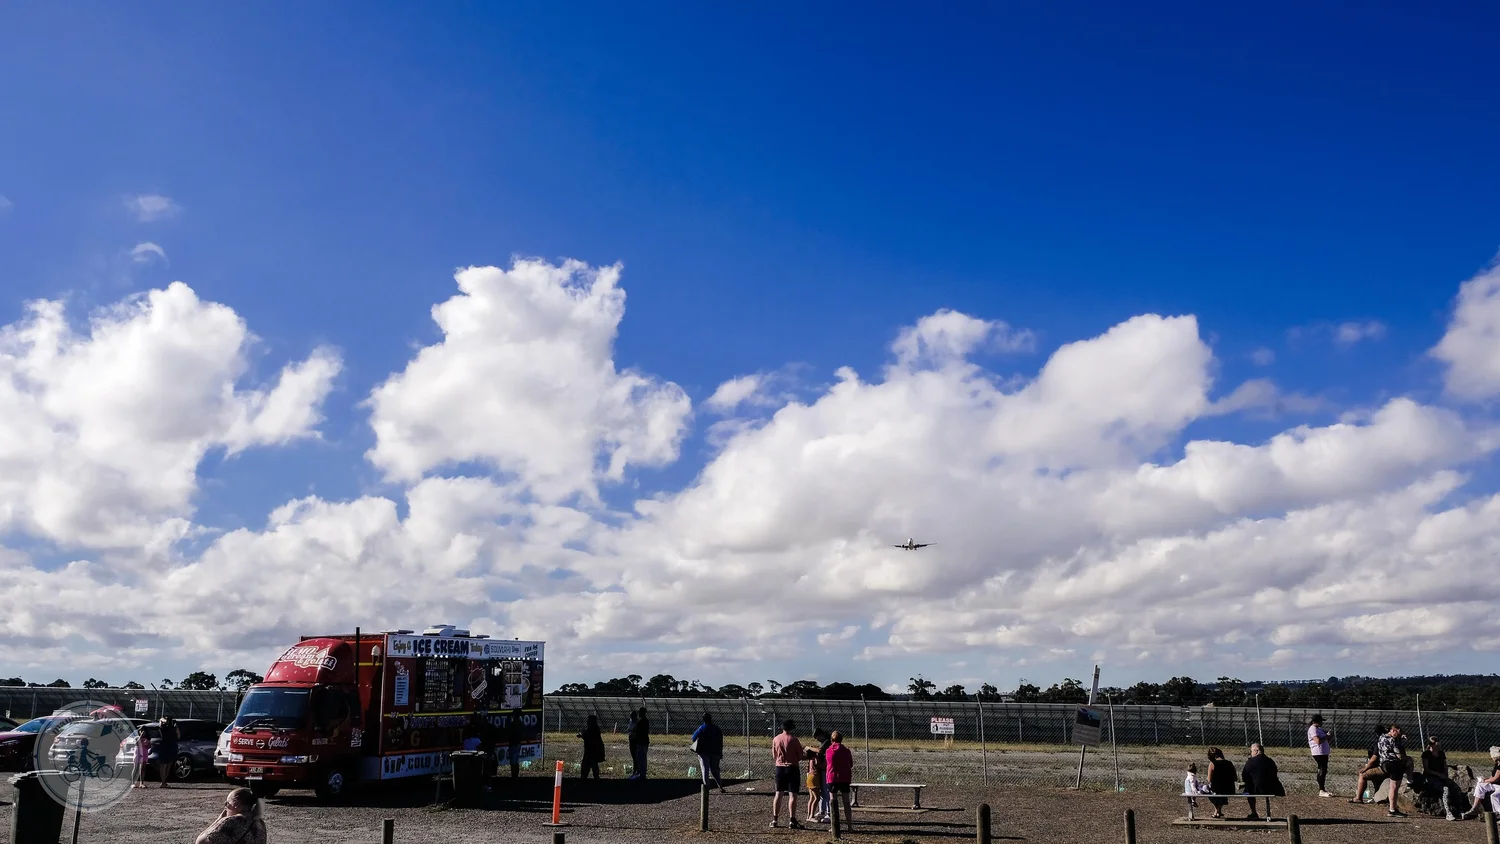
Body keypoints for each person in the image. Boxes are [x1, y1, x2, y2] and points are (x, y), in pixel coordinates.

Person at [193, 787, 267, 844]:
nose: (225, 806)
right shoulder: (260, 823)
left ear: (236, 804)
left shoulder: (231, 822)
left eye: (227, 803)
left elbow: (200, 842)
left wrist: (218, 820)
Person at [770, 720, 804, 829]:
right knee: (792, 795)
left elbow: (774, 755)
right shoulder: (794, 740)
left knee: (778, 793)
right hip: (792, 768)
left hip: (780, 768)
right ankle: (792, 819)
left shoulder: (776, 739)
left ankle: (775, 819)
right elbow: (800, 756)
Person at [1241, 743, 1286, 820]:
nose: (1251, 753)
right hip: (1272, 789)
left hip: (1257, 789)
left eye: (1251, 751)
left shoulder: (1251, 762)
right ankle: (1266, 814)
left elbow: (1244, 776)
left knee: (1247, 791)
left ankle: (1253, 812)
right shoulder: (1270, 761)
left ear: (1256, 751)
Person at [1375, 724, 1410, 817]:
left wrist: (1401, 737)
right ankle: (1392, 809)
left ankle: (1392, 808)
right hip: (1394, 764)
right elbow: (1398, 755)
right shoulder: (1392, 740)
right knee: (1394, 787)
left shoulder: (1382, 737)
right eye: (1398, 733)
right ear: (1393, 731)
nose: (1398, 735)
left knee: (1392, 786)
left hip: (1384, 763)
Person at [1459, 746, 1500, 821]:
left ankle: (1498, 813)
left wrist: (1484, 781)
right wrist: (1485, 779)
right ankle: (1475, 808)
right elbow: (1492, 776)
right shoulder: (1497, 764)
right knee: (1480, 785)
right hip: (1496, 785)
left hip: (1498, 786)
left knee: (1493, 796)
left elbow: (1495, 778)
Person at [825, 730, 854, 831]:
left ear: (832, 739)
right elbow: (851, 764)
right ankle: (849, 825)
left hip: (832, 778)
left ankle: (834, 826)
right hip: (845, 777)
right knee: (846, 802)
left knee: (833, 802)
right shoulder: (846, 751)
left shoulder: (829, 750)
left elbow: (827, 763)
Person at [691, 713, 726, 793]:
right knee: (715, 770)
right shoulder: (717, 728)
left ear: (703, 720)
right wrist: (720, 753)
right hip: (715, 752)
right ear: (711, 719)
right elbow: (721, 741)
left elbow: (693, 738)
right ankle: (720, 785)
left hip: (703, 752)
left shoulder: (702, 728)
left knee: (705, 769)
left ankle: (706, 788)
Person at [805, 728, 831, 823]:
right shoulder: (825, 742)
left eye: (817, 737)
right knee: (821, 793)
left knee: (825, 792)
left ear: (821, 735)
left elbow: (820, 751)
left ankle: (828, 812)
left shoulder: (827, 742)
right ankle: (822, 810)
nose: (817, 740)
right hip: (821, 770)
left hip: (824, 770)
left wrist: (809, 748)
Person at [1206, 747, 1237, 820]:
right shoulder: (1229, 763)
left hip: (1217, 790)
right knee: (1221, 791)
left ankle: (1217, 811)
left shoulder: (1212, 764)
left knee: (1210, 790)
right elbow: (1235, 778)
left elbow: (1209, 779)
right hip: (1229, 789)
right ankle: (1218, 811)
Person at [1307, 714, 1333, 797]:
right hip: (1319, 752)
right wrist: (1326, 736)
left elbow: (1324, 740)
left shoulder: (1319, 729)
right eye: (1321, 721)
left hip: (1323, 752)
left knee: (1322, 769)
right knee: (1322, 769)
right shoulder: (1313, 729)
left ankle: (1322, 789)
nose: (1322, 723)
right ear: (1316, 721)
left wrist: (1328, 737)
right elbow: (1317, 741)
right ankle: (1321, 790)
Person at [151, 716, 179, 788]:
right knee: (168, 765)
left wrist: (164, 720)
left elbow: (160, 721)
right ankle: (164, 782)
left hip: (165, 747)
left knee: (164, 765)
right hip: (172, 747)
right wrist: (176, 727)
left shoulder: (163, 728)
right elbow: (178, 736)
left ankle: (163, 782)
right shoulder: (173, 728)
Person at [577, 714, 605, 780]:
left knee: (587, 765)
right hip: (592, 750)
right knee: (593, 765)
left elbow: (589, 738)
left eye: (588, 720)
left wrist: (582, 734)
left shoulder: (593, 729)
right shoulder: (594, 728)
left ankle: (584, 779)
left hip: (591, 750)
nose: (587, 722)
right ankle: (594, 779)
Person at [627, 707, 650, 780]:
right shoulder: (643, 721)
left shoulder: (642, 722)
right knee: (640, 758)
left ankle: (641, 774)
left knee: (641, 759)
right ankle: (641, 773)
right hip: (641, 742)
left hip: (641, 742)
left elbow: (638, 731)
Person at [506, 707, 523, 778]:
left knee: (513, 761)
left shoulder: (513, 724)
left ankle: (514, 775)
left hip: (513, 744)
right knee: (516, 760)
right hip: (518, 743)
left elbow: (509, 731)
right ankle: (516, 775)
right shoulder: (520, 723)